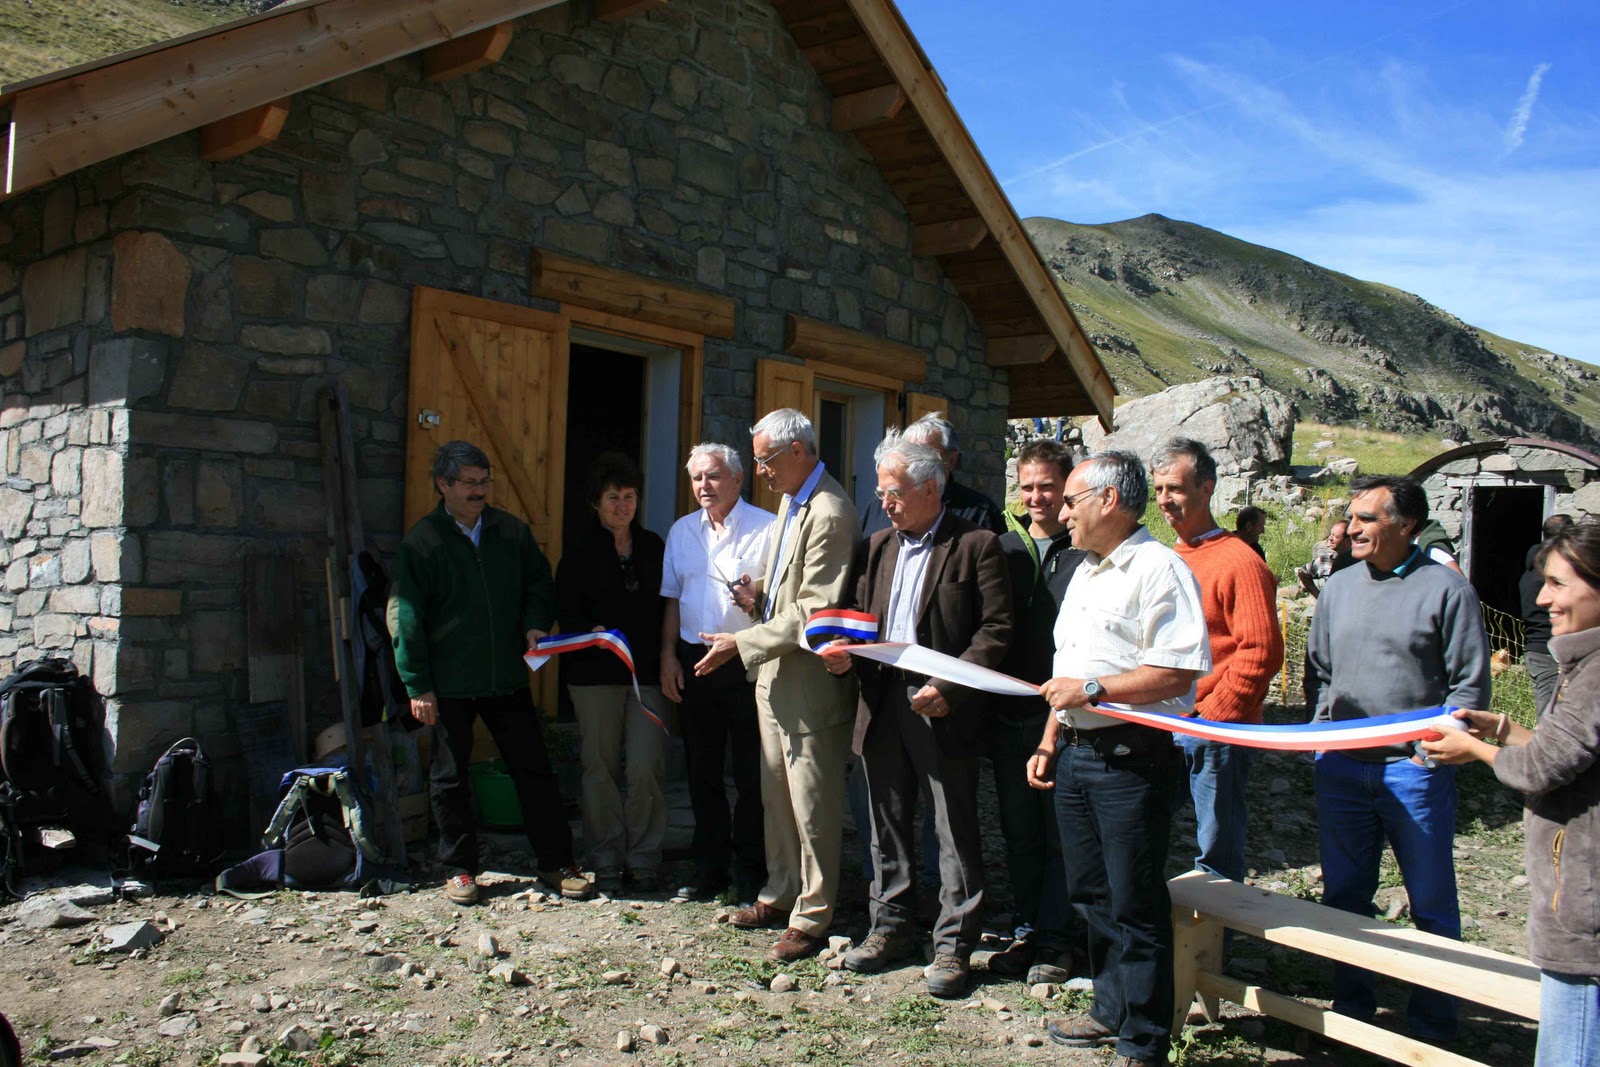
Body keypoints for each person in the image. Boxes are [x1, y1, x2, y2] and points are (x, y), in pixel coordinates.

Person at [1025, 450, 1211, 1067]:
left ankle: (1145, 1040)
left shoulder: (1159, 570)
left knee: (1135, 900)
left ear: (1108, 500)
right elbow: (1068, 671)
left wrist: (1094, 691)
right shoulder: (1085, 571)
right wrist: (1050, 739)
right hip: (1076, 753)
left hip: (1131, 761)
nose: (1062, 513)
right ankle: (1110, 1010)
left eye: (1072, 501)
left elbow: (1178, 670)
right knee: (1090, 892)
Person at [826, 432, 1012, 998]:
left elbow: (995, 630)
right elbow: (857, 616)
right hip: (881, 698)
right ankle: (890, 927)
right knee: (885, 821)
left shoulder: (977, 544)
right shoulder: (876, 545)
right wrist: (842, 651)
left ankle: (954, 943)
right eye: (881, 492)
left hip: (942, 705)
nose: (885, 502)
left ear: (932, 488)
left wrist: (949, 685)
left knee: (953, 827)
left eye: (896, 492)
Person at [1306, 474, 1491, 1041]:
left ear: (1407, 525)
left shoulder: (1446, 590)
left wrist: (1427, 758)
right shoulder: (1339, 586)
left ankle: (1435, 1023)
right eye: (1352, 517)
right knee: (1344, 894)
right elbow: (1320, 669)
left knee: (1430, 900)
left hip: (1412, 773)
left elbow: (1468, 686)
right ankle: (1352, 1008)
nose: (1351, 528)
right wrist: (1321, 736)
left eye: (1367, 518)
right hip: (1342, 769)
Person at [1421, 521, 1600, 1067]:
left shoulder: (1595, 674)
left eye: (1558, 584)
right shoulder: (1584, 664)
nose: (1542, 599)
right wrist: (1502, 729)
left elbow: (1542, 767)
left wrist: (1474, 750)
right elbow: (1568, 750)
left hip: (1585, 909)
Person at [390, 440, 593, 905]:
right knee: (449, 779)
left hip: (507, 679)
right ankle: (459, 869)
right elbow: (405, 615)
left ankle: (556, 862)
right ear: (443, 485)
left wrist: (535, 622)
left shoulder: (511, 531)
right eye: (469, 483)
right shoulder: (423, 542)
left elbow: (539, 582)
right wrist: (418, 684)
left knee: (534, 770)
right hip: (450, 684)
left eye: (484, 481)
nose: (480, 491)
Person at [694, 409, 860, 961]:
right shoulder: (793, 499)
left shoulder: (830, 511)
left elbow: (815, 607)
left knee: (812, 806)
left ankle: (813, 915)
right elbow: (792, 585)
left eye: (765, 460)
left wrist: (740, 643)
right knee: (776, 798)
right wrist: (759, 590)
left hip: (809, 686)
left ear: (798, 452)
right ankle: (781, 891)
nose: (760, 471)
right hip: (775, 680)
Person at [1152, 439, 1283, 889]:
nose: (1165, 499)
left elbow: (1262, 650)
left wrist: (1214, 715)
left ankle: (1218, 930)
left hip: (1216, 728)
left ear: (1207, 488)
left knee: (1217, 847)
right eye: (1158, 489)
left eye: (1175, 488)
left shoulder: (1239, 561)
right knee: (1148, 828)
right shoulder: (1170, 557)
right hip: (1168, 722)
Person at [986, 439, 1085, 984]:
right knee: (1019, 831)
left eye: (1048, 486)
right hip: (1009, 710)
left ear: (1067, 487)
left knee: (1060, 833)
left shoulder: (1087, 549)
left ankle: (1058, 939)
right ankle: (1027, 929)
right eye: (1027, 487)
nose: (1037, 497)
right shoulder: (1002, 548)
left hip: (1065, 715)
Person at [659, 443, 774, 902]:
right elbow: (672, 599)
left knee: (750, 772)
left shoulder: (767, 528)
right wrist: (668, 656)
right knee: (701, 769)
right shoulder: (682, 531)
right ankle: (709, 869)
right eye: (696, 478)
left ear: (738, 479)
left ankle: (751, 873)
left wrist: (755, 597)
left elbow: (779, 602)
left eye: (713, 476)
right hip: (695, 661)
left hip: (747, 660)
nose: (703, 485)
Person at [554, 453, 667, 893]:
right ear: (596, 503)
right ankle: (604, 859)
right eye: (613, 497)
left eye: (630, 496)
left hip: (648, 676)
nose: (622, 505)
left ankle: (644, 859)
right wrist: (592, 631)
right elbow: (567, 610)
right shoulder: (578, 552)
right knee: (599, 767)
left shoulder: (654, 547)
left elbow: (668, 606)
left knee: (645, 766)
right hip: (594, 677)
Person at [863, 411, 1005, 538]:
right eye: (908, 455)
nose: (915, 464)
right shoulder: (878, 508)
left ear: (951, 460)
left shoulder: (980, 514)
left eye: (926, 456)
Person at [1523, 513, 1576, 714]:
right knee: (1550, 716)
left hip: (1537, 648)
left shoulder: (1531, 569)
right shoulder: (1553, 575)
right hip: (1549, 650)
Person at [1296, 520, 1351, 594]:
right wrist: (1317, 595)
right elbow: (1302, 572)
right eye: (1331, 534)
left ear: (1348, 541)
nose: (1330, 538)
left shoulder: (1359, 561)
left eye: (1336, 536)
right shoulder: (1325, 560)